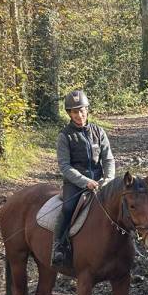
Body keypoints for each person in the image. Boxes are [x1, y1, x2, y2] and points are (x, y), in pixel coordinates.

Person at [52, 89, 115, 265]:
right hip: (75, 183)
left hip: (100, 182)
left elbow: (108, 159)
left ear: (87, 110)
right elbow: (64, 166)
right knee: (68, 208)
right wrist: (85, 181)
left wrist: (108, 179)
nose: (79, 115)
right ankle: (59, 246)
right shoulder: (65, 136)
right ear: (69, 114)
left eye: (81, 111)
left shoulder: (99, 132)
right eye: (74, 112)